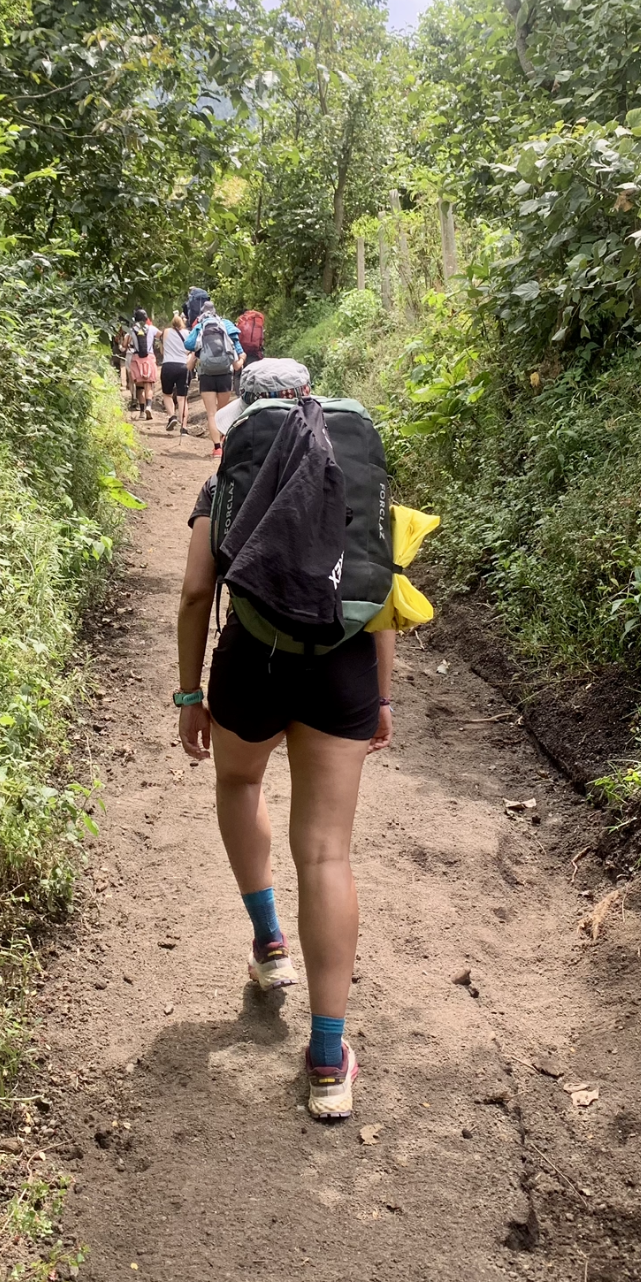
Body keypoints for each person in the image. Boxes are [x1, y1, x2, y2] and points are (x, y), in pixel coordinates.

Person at [175, 362, 396, 1121]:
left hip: (255, 662)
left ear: (248, 420)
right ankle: (329, 1058)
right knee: (328, 852)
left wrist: (188, 694)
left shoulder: (227, 478)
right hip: (344, 669)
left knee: (239, 783)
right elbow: (382, 589)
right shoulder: (353, 462)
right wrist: (383, 695)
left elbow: (199, 592)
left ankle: (270, 948)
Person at [183, 301, 244, 456]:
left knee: (211, 414)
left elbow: (188, 344)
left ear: (202, 313)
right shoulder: (226, 324)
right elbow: (237, 349)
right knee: (223, 411)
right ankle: (225, 444)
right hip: (225, 373)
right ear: (216, 312)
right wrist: (241, 358)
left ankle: (217, 448)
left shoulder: (200, 326)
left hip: (206, 375)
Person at [126, 307, 160, 420]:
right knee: (148, 384)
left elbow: (126, 344)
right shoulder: (152, 329)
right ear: (146, 319)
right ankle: (149, 407)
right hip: (149, 358)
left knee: (139, 387)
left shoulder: (131, 330)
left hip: (136, 358)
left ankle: (141, 412)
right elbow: (162, 335)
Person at [160, 313, 190, 434]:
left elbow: (162, 349)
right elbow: (189, 350)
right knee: (182, 398)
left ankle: (172, 416)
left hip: (168, 365)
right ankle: (184, 427)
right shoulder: (188, 334)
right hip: (183, 365)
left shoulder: (166, 331)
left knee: (167, 394)